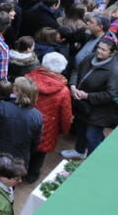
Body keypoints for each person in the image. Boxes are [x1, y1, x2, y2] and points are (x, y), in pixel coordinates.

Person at [63, 37, 118, 159]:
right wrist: (73, 86)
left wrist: (88, 96)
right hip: (83, 104)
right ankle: (79, 151)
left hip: (100, 110)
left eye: (104, 50)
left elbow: (111, 94)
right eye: (99, 48)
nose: (99, 51)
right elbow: (76, 70)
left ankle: (94, 160)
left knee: (92, 136)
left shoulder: (115, 71)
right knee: (80, 129)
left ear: (112, 52)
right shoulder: (90, 57)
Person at [0, 77, 43, 167]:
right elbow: (35, 143)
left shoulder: (2, 108)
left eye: (15, 86)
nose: (12, 86)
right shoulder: (37, 116)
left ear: (17, 92)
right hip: (18, 162)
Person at [24, 53, 72, 183]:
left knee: (23, 148)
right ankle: (31, 175)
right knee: (39, 154)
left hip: (25, 120)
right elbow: (66, 115)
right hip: (48, 127)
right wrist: (64, 130)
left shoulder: (28, 79)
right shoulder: (63, 91)